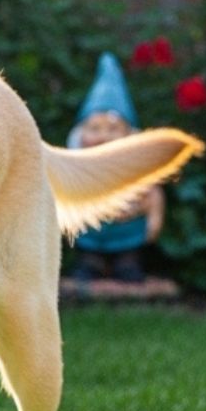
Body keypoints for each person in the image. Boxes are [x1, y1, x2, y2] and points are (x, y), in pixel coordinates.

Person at [65, 52, 174, 298]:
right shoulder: (81, 170)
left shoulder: (136, 171)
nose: (103, 136)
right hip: (92, 232)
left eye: (113, 129)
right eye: (94, 128)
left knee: (128, 263)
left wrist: (153, 218)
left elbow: (153, 194)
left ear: (129, 134)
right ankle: (91, 263)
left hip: (127, 231)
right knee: (88, 260)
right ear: (80, 135)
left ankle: (127, 264)